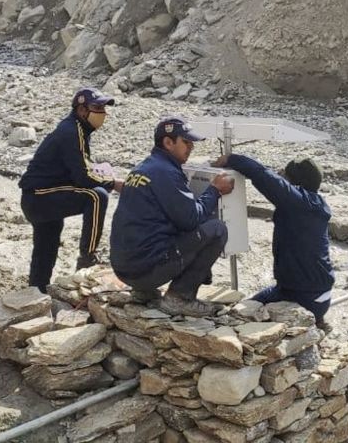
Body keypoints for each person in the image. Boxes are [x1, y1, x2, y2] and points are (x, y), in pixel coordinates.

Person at [110, 116, 234, 317]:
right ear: (168, 143)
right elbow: (191, 219)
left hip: (124, 269)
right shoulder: (165, 172)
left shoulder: (142, 168)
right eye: (186, 142)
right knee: (217, 229)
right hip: (145, 271)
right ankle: (180, 297)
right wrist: (214, 190)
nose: (191, 147)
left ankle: (144, 292)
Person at [18, 88, 123, 292]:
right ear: (82, 109)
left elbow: (82, 168)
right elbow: (82, 176)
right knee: (96, 196)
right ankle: (88, 257)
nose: (102, 113)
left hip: (42, 197)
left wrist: (103, 176)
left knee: (46, 248)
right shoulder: (72, 131)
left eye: (103, 108)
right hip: (41, 196)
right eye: (97, 107)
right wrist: (112, 183)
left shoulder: (78, 129)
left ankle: (36, 292)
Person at [213, 153, 334, 328]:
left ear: (294, 183)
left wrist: (231, 159)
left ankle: (312, 322)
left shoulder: (297, 202)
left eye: (285, 177)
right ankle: (318, 321)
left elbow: (263, 175)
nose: (281, 178)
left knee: (239, 319)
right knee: (251, 303)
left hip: (303, 297)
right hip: (310, 291)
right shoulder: (316, 203)